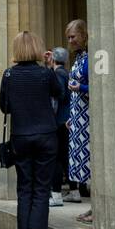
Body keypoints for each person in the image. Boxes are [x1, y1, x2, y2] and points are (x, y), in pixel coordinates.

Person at [0, 32, 58, 229]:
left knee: (24, 188)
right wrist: (51, 68)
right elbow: (60, 93)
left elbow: (4, 107)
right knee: (42, 189)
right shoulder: (45, 74)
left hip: (21, 136)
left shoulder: (9, 74)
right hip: (46, 135)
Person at [65, 19, 91, 221]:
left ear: (84, 35)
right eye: (68, 38)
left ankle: (97, 208)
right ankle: (94, 208)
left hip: (89, 119)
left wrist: (80, 88)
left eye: (73, 36)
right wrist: (71, 117)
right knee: (83, 165)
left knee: (92, 164)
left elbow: (99, 89)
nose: (70, 40)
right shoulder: (78, 58)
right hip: (78, 118)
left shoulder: (90, 58)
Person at [48, 47, 70, 209]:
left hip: (58, 121)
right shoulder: (67, 73)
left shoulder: (58, 74)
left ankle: (56, 194)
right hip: (66, 120)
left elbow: (59, 96)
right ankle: (74, 191)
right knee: (65, 156)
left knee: (55, 157)